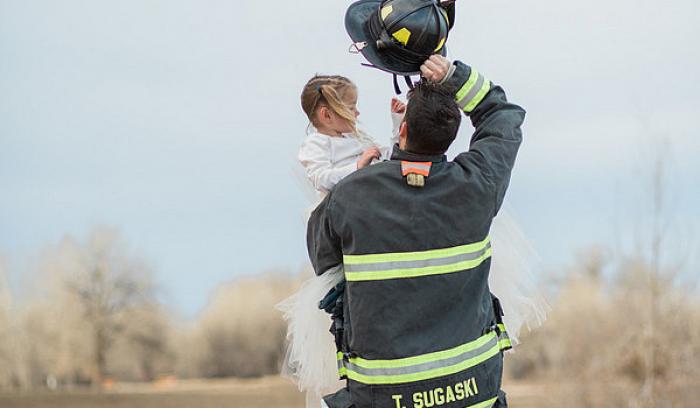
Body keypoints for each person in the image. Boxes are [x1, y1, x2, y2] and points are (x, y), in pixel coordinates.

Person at [308, 54, 523, 408]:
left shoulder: (350, 194)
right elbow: (504, 117)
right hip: (473, 391)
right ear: (452, 137)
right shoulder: (478, 185)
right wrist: (457, 78)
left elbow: (323, 260)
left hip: (383, 396)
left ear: (402, 130)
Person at [298, 75, 406, 197]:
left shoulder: (359, 137)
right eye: (351, 108)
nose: (357, 113)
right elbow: (321, 180)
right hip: (344, 209)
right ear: (327, 115)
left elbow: (392, 158)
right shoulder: (316, 143)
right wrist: (358, 166)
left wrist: (399, 123)